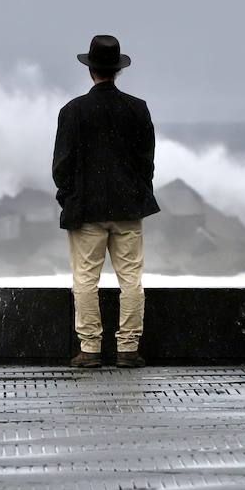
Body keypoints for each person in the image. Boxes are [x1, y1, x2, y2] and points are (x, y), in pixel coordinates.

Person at [52, 34, 160, 368]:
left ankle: (91, 349)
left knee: (85, 279)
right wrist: (138, 191)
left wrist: (68, 197)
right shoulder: (137, 108)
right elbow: (147, 162)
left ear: (91, 70)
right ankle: (128, 349)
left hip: (86, 209)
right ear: (117, 71)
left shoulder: (73, 111)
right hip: (128, 208)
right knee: (131, 279)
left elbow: (62, 166)